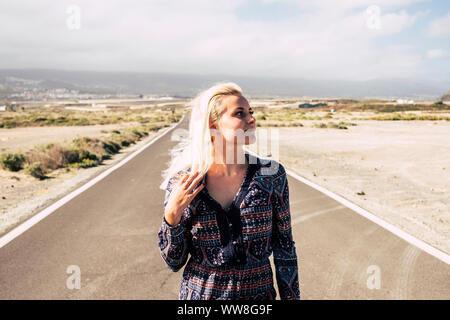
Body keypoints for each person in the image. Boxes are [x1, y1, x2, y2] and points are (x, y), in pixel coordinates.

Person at [157, 82, 300, 300]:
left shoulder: (271, 175)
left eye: (251, 112)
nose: (251, 119)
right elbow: (173, 262)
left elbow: (285, 249)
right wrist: (172, 216)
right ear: (213, 124)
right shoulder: (185, 182)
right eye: (239, 113)